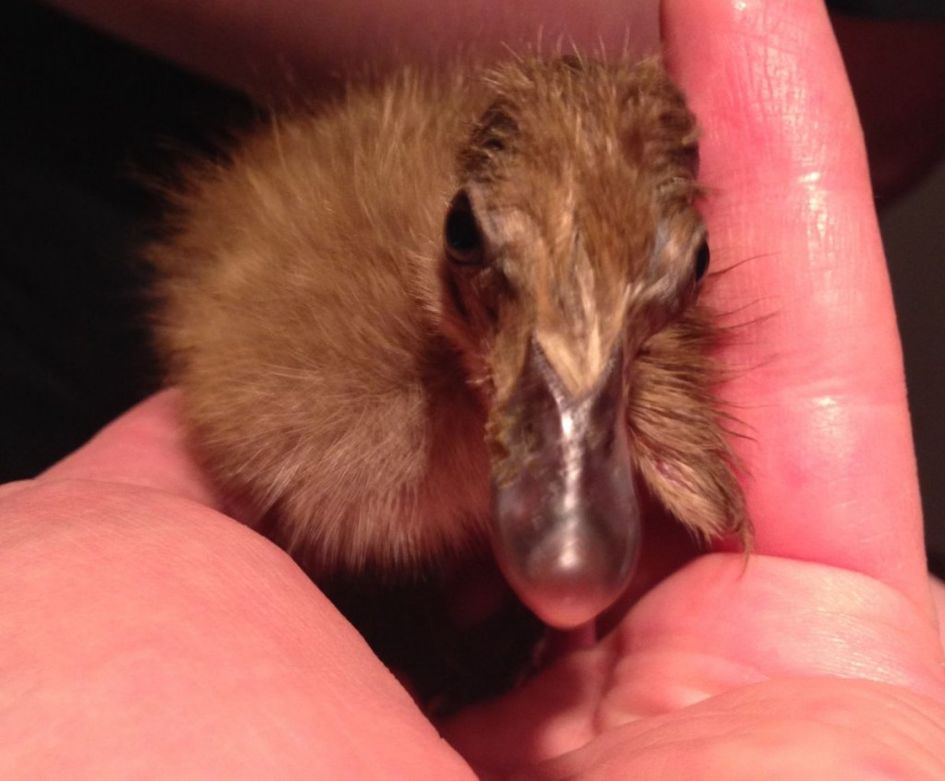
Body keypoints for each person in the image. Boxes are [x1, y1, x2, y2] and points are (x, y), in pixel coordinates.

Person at [3, 0, 945, 776]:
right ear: (452, 233)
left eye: (678, 275)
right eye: (474, 246)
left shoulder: (662, 381)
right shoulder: (314, 339)